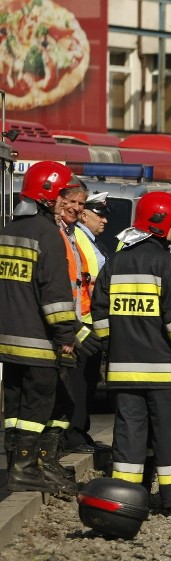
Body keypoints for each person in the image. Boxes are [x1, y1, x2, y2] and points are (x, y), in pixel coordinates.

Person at [90, 191, 171, 516]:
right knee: (168, 437)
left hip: (123, 372)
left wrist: (111, 349)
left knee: (128, 437)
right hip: (162, 373)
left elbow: (100, 316)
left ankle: (125, 501)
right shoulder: (167, 264)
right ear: (161, 224)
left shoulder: (115, 263)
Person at [0, 161, 79, 493]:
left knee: (14, 405)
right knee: (38, 404)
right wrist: (66, 335)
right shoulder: (48, 234)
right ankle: (24, 467)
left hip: (7, 339)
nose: (66, 201)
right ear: (49, 195)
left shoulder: (6, 231)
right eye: (63, 194)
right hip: (37, 340)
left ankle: (12, 464)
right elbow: (55, 294)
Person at [57, 188, 108, 454]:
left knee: (85, 383)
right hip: (79, 322)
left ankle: (80, 432)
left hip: (86, 320)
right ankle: (73, 436)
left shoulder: (82, 237)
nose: (105, 220)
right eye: (99, 213)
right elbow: (90, 279)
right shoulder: (75, 235)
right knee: (77, 384)